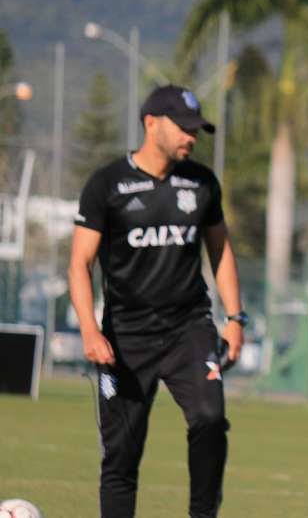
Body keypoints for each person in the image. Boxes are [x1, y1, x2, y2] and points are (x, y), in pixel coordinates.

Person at [68, 85, 246, 518]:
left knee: (208, 419)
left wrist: (236, 318)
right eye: (184, 128)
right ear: (151, 123)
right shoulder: (107, 184)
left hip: (189, 329)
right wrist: (90, 331)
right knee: (122, 456)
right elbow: (79, 264)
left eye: (197, 129)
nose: (192, 136)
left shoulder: (202, 183)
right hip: (125, 336)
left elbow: (220, 251)